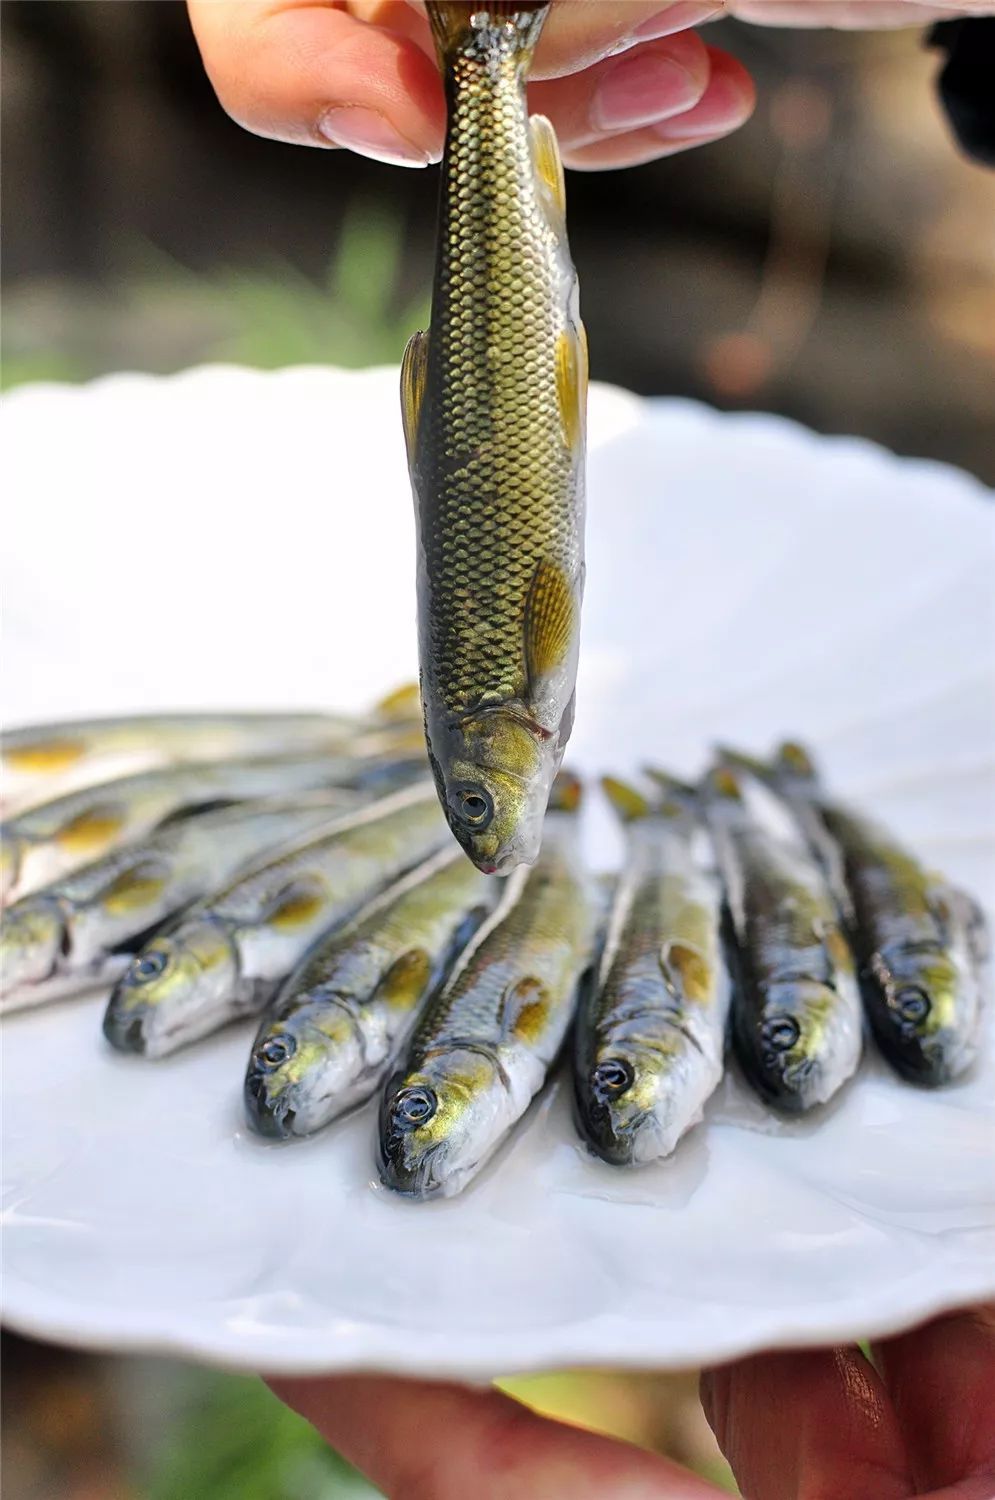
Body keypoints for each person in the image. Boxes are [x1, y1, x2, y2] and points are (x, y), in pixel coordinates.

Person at [186, 4, 995, 1494]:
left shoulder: (513, 685)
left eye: (483, 786)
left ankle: (484, 50)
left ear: (514, 726)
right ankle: (488, 56)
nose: (505, 812)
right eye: (487, 793)